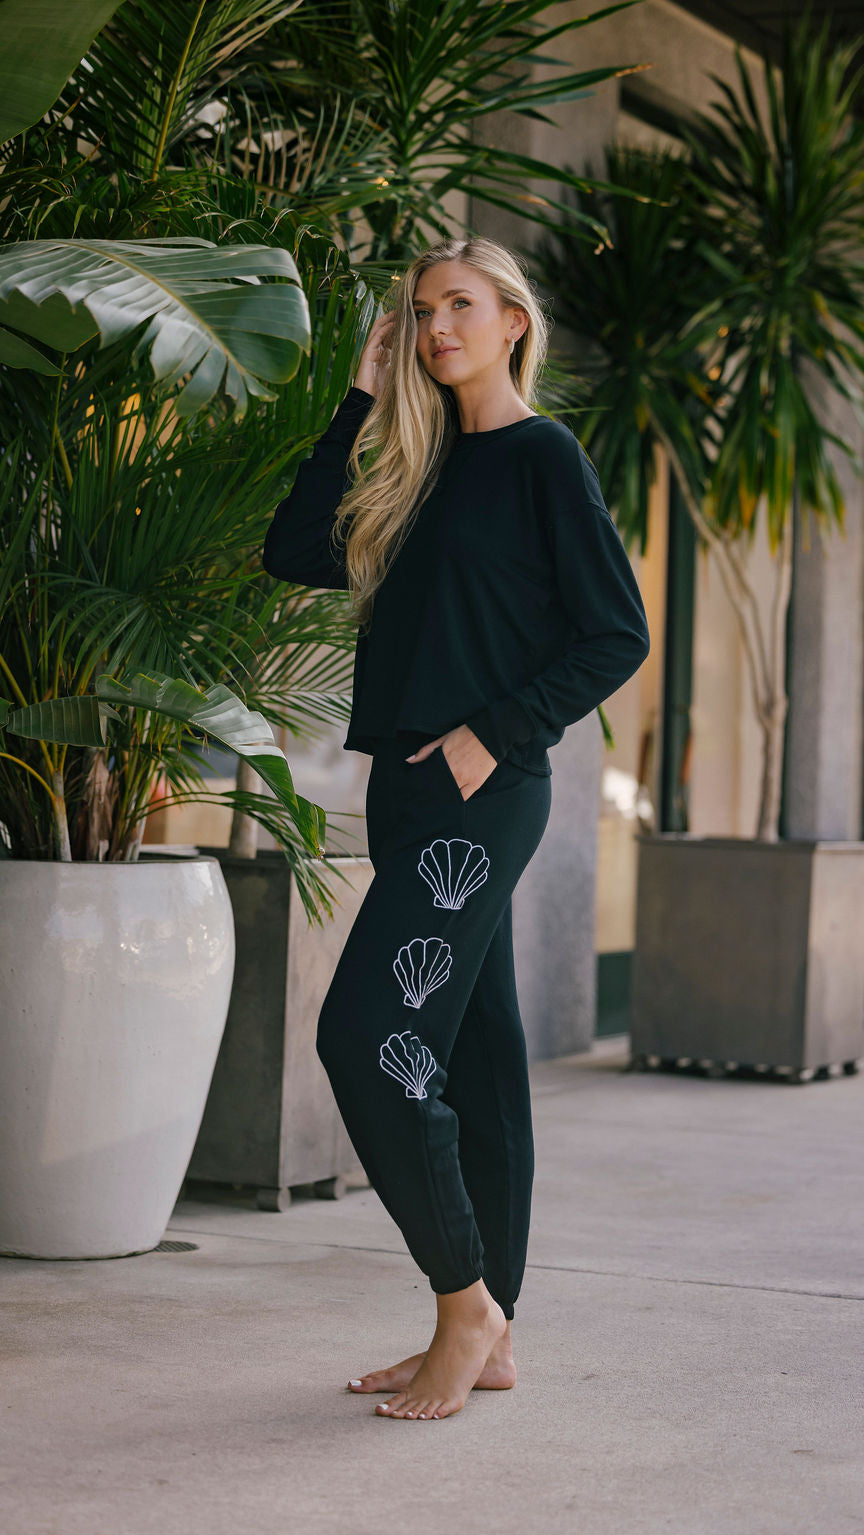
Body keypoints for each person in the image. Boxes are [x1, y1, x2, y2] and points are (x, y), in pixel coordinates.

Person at [261, 235, 650, 1422]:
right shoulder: (419, 467)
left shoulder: (543, 457)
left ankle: (462, 1301)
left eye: (460, 306)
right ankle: (493, 1333)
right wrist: (360, 399)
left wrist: (494, 730)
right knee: (477, 1057)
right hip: (409, 793)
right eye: (421, 310)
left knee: (367, 1038)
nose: (437, 327)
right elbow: (291, 550)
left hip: (481, 794)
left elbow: (616, 631)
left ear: (513, 321)